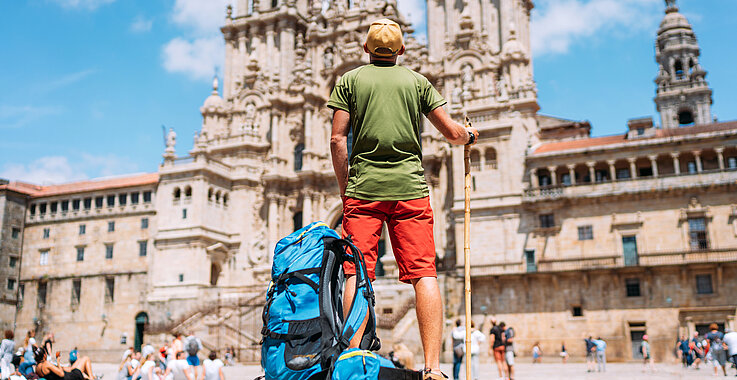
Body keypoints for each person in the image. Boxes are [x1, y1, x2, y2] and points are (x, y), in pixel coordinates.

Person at [327, 17, 478, 380]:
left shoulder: (349, 81)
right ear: (402, 50)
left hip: (363, 190)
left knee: (356, 273)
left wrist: (346, 184)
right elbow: (452, 133)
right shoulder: (418, 82)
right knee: (425, 274)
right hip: (411, 190)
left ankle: (351, 356)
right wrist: (469, 135)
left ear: (365, 48)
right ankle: (433, 368)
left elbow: (336, 139)